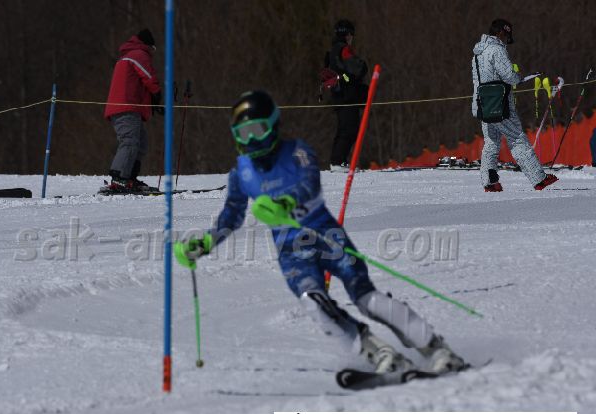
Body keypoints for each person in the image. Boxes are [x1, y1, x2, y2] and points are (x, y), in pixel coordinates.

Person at [173, 90, 465, 375]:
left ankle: (435, 348)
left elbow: (309, 183)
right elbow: (232, 215)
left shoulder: (297, 151)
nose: (251, 140)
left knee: (366, 298)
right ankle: (375, 351)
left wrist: (285, 204)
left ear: (273, 126)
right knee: (312, 302)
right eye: (243, 133)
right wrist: (207, 241)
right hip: (290, 250)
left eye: (257, 130)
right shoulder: (241, 173)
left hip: (325, 236)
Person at [472, 19, 558, 192]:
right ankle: (539, 179)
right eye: (506, 36)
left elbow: (477, 81)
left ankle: (489, 182)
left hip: (482, 104)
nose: (506, 40)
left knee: (491, 142)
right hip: (500, 104)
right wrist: (519, 77)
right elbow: (509, 76)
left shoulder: (477, 53)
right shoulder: (496, 50)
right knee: (517, 138)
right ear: (501, 33)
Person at [102, 29, 163, 193]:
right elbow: (148, 76)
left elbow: (136, 84)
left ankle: (129, 177)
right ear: (148, 45)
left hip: (130, 107)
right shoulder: (138, 54)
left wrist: (153, 103)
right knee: (129, 141)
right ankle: (119, 178)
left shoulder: (129, 55)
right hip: (125, 107)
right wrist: (157, 93)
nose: (152, 53)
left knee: (141, 142)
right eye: (153, 49)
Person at [327, 19, 368, 171]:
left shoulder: (333, 50)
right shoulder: (344, 49)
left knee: (344, 128)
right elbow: (357, 68)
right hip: (347, 96)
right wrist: (362, 66)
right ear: (347, 34)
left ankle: (337, 161)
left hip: (338, 95)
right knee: (349, 129)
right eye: (351, 34)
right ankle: (338, 162)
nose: (352, 38)